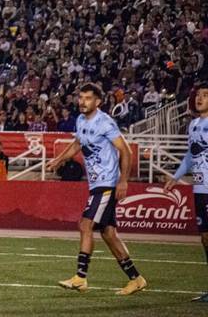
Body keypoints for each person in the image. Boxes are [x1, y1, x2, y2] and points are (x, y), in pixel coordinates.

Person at [47, 83, 147, 296]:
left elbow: (126, 151)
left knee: (85, 225)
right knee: (109, 234)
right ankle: (136, 279)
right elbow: (77, 144)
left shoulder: (105, 123)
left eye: (88, 98)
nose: (82, 101)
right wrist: (58, 159)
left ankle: (80, 277)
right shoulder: (81, 120)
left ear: (98, 101)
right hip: (96, 184)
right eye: (81, 97)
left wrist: (123, 181)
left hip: (107, 183)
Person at [164, 82, 208, 303]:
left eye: (206, 95)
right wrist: (176, 177)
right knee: (205, 237)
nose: (200, 98)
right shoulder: (193, 125)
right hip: (200, 187)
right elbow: (191, 156)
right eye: (198, 95)